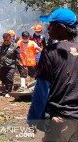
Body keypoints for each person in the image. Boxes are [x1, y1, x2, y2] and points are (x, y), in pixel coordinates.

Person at [27, 8, 78, 141]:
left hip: (61, 118)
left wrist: (34, 117)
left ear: (61, 28)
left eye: (51, 25)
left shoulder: (50, 52)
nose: (48, 28)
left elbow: (42, 90)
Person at [0, 33, 23, 98]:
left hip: (11, 65)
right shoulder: (1, 45)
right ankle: (8, 86)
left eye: (7, 40)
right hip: (3, 65)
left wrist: (23, 63)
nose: (6, 42)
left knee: (9, 77)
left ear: (10, 39)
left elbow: (19, 55)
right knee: (2, 78)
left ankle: (8, 91)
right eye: (5, 40)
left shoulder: (15, 46)